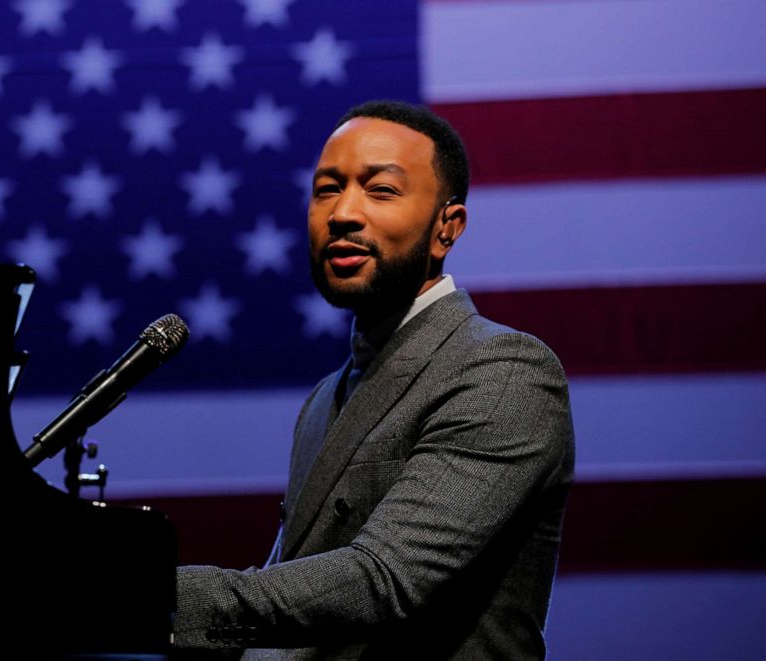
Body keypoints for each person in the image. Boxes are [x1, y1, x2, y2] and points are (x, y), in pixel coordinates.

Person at [173, 100, 575, 660]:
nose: (342, 214)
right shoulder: (325, 397)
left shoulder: (504, 371)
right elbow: (290, 599)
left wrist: (151, 599)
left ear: (446, 229)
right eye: (326, 189)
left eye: (380, 190)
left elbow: (383, 580)